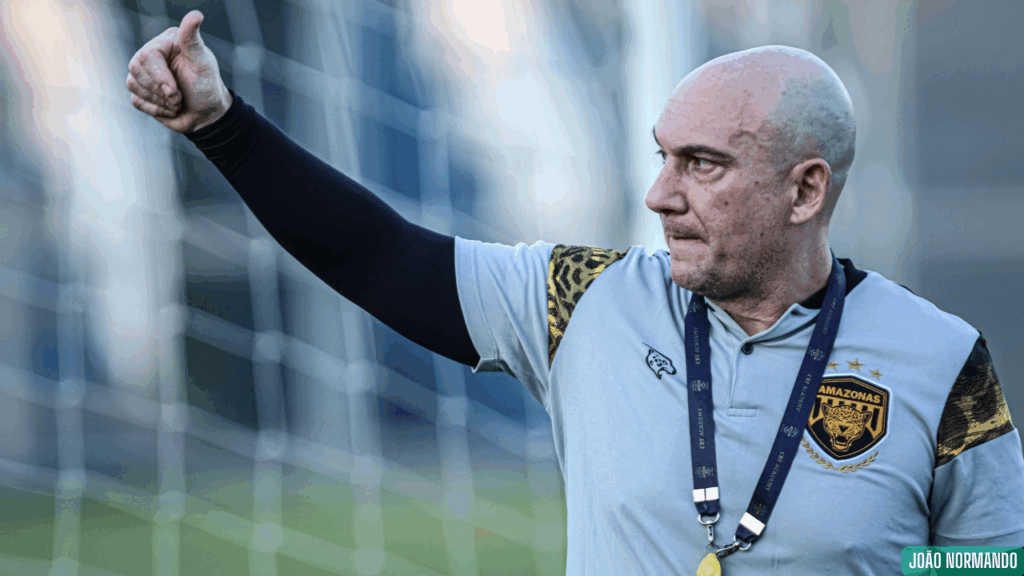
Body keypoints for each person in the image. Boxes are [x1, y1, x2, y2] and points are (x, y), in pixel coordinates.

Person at [126, 10, 1024, 575]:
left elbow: (992, 563)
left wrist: (898, 565)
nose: (659, 194)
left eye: (702, 165)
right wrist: (222, 127)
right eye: (662, 156)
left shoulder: (942, 359)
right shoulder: (581, 300)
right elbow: (378, 255)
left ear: (805, 191)